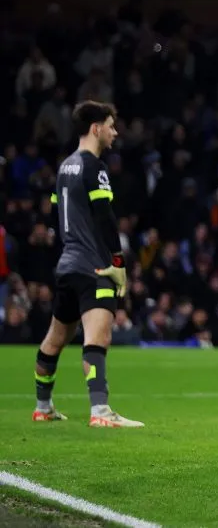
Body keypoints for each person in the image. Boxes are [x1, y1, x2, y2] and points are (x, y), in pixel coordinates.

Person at [33, 101, 142, 428]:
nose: (114, 132)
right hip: (95, 267)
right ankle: (100, 411)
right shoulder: (94, 168)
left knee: (54, 339)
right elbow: (105, 217)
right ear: (96, 128)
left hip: (67, 265)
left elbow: (54, 215)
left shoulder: (65, 167)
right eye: (110, 125)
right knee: (98, 338)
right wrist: (118, 260)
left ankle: (43, 406)